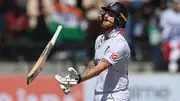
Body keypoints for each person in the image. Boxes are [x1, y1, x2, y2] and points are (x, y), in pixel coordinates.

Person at [55, 2, 130, 101]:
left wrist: (78, 79)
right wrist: (76, 76)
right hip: (99, 94)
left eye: (111, 15)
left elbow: (100, 67)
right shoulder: (100, 39)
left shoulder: (119, 43)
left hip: (116, 95)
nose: (106, 16)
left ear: (119, 20)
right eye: (106, 13)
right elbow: (95, 64)